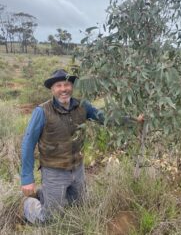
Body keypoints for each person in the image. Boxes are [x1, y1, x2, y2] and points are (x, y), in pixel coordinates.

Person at [21, 69, 144, 224]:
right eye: (58, 85)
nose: (63, 89)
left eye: (66, 84)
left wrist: (134, 120)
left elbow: (105, 118)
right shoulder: (42, 111)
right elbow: (28, 143)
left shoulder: (82, 105)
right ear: (52, 89)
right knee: (51, 219)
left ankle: (45, 194)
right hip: (54, 171)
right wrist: (27, 178)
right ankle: (28, 205)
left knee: (79, 207)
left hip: (77, 169)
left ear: (72, 86)